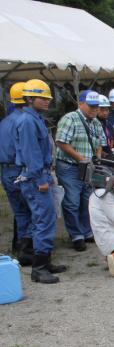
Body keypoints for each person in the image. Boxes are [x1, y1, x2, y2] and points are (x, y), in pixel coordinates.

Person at [15, 79, 67, 283]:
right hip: (36, 177)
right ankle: (39, 267)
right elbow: (31, 153)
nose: (46, 101)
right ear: (29, 98)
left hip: (40, 174)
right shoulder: (28, 121)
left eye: (47, 98)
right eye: (41, 98)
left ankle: (44, 260)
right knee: (43, 220)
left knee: (45, 219)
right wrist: (40, 179)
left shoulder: (33, 118)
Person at [55, 90, 106, 251]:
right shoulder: (70, 119)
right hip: (70, 166)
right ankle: (76, 235)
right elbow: (61, 142)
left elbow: (100, 143)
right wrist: (79, 158)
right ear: (81, 104)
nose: (94, 109)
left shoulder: (96, 123)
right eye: (91, 106)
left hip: (89, 167)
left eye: (96, 107)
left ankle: (86, 231)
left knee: (87, 200)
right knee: (72, 201)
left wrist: (96, 159)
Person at [0, 82, 33, 265]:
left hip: (5, 171)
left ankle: (21, 246)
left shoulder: (4, 121)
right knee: (33, 211)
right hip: (21, 170)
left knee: (20, 213)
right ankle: (28, 249)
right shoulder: (25, 121)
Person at [97, 94, 114, 162]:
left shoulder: (109, 124)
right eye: (102, 110)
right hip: (98, 159)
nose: (105, 113)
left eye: (106, 110)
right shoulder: (93, 124)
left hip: (110, 157)